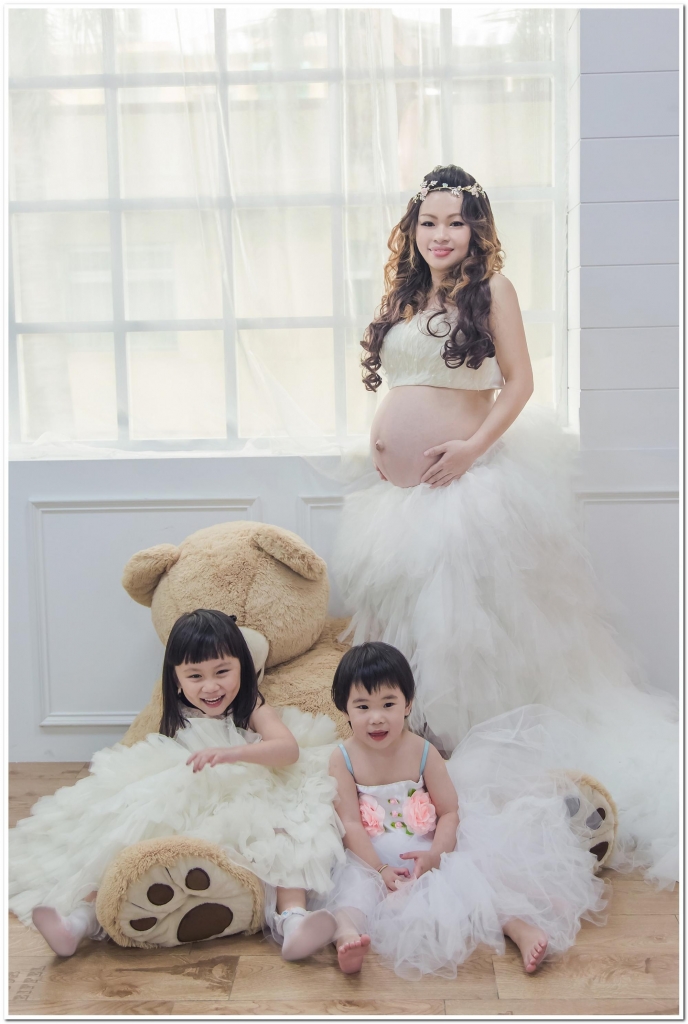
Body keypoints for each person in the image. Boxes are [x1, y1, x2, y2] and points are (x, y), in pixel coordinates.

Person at [333, 164, 678, 888]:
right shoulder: (406, 294)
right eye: (429, 222)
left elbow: (518, 382)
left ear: (476, 229)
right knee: (408, 635)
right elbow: (408, 384)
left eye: (455, 222)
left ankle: (481, 780)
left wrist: (469, 448)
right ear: (412, 230)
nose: (441, 235)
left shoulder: (492, 291)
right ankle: (416, 771)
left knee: (464, 639)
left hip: (467, 488)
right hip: (398, 501)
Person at [9, 609, 343, 960]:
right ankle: (80, 920)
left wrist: (233, 753)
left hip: (256, 787)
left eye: (222, 672)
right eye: (195, 675)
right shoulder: (179, 711)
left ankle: (293, 921)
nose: (210, 686)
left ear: (242, 668)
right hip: (192, 792)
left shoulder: (253, 706)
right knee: (127, 827)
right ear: (177, 679)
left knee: (290, 830)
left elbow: (288, 750)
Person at [314, 641, 607, 978]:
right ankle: (347, 938)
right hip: (369, 857)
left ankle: (520, 929)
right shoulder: (343, 758)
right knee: (352, 899)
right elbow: (350, 822)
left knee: (475, 881)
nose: (376, 717)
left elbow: (449, 811)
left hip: (427, 846)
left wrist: (436, 855)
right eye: (363, 706)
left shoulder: (423, 752)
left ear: (408, 704)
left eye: (388, 704)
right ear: (345, 709)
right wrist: (379, 869)